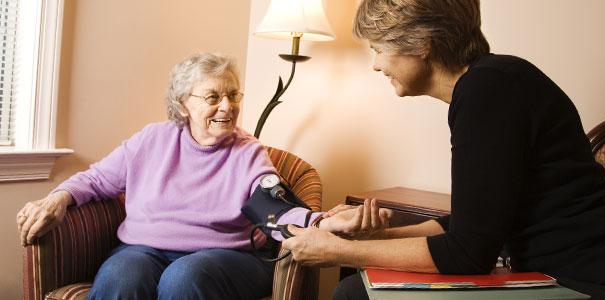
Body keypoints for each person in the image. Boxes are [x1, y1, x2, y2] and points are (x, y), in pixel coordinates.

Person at [280, 1, 605, 300]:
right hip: (582, 269)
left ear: (422, 42)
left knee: (353, 294)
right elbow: (474, 224)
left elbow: (468, 253)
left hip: (602, 278)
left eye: (378, 49)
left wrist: (338, 251)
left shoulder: (487, 90)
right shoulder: (491, 82)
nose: (376, 64)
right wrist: (374, 237)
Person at [16, 52, 390, 300]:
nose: (227, 106)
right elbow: (96, 179)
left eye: (232, 95)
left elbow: (276, 209)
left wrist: (324, 221)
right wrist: (57, 198)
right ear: (183, 104)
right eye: (212, 97)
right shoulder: (152, 140)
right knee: (120, 276)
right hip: (143, 250)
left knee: (184, 277)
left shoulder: (247, 152)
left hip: (224, 256)